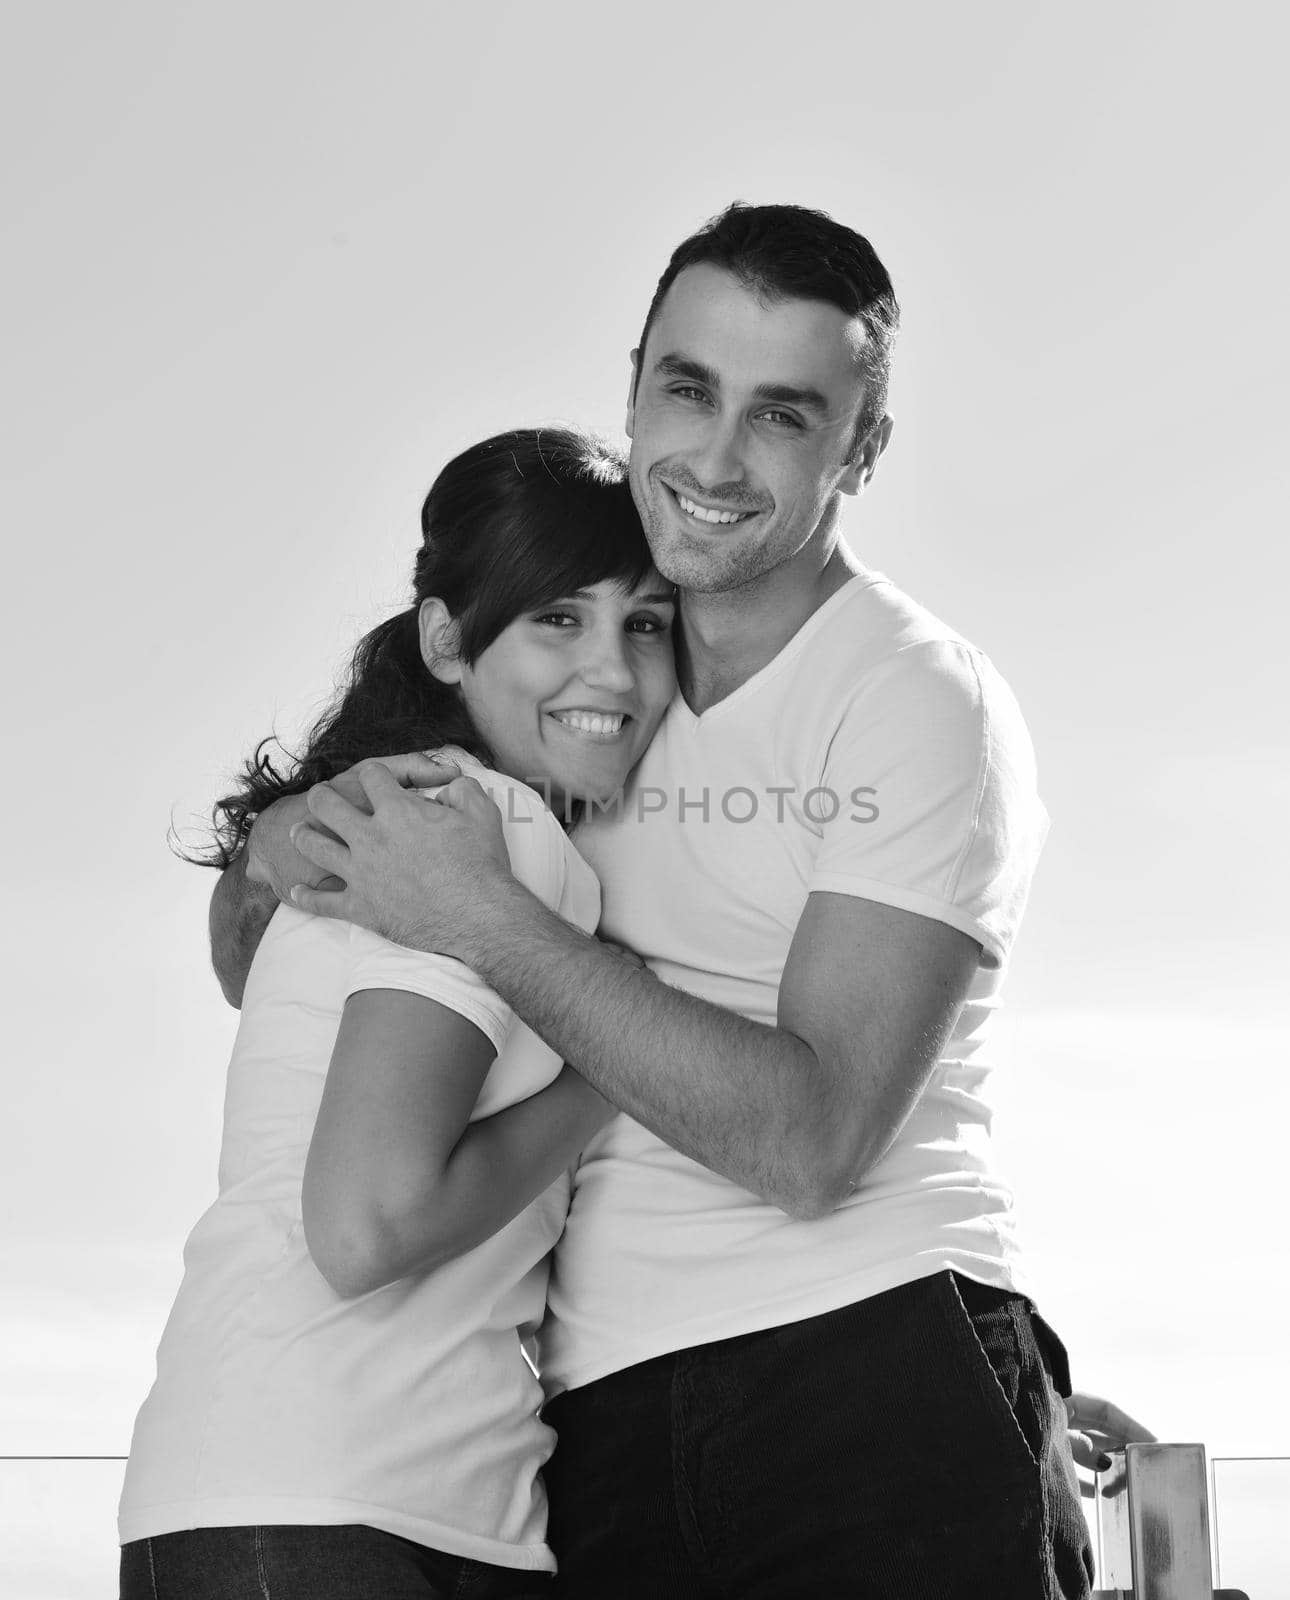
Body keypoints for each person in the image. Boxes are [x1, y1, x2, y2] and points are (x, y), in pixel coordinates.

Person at [217, 204, 1099, 1597]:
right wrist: (281, 842)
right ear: (632, 385)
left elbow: (812, 1139)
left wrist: (487, 921)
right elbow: (264, 956)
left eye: (784, 417)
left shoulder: (911, 700)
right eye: (685, 391)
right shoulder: (587, 683)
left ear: (859, 449)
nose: (714, 458)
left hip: (868, 1359)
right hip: (596, 1416)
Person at [118, 427, 677, 1599]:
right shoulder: (475, 823)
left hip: (352, 1498)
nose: (615, 674)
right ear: (447, 640)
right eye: (558, 620)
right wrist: (612, 1060)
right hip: (328, 1502)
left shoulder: (425, 811)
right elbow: (366, 1225)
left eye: (644, 623)